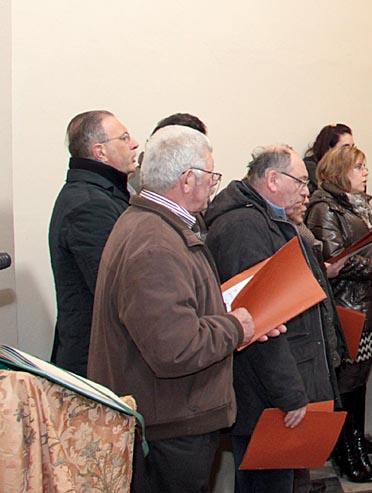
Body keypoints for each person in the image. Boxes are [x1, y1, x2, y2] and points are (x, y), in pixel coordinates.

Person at [88, 126, 275, 492]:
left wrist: (244, 322)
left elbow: (178, 312)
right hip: (170, 426)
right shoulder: (155, 242)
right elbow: (174, 348)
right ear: (188, 179)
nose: (214, 185)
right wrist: (236, 327)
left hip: (168, 415)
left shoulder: (152, 225)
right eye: (211, 175)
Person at [205, 145, 342, 493]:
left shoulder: (270, 221)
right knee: (267, 484)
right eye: (300, 182)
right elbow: (258, 322)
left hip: (280, 386)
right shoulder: (244, 228)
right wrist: (290, 394)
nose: (306, 191)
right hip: (266, 396)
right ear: (272, 179)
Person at [305, 146, 372, 483]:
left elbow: (366, 254)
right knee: (347, 385)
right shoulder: (324, 209)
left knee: (358, 382)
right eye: (359, 167)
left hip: (367, 305)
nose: (365, 172)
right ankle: (348, 453)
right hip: (346, 308)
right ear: (340, 171)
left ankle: (355, 445)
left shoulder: (356, 206)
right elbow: (336, 260)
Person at [49, 110, 140, 377]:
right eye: (124, 138)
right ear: (100, 152)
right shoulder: (89, 205)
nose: (134, 144)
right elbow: (115, 290)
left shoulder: (102, 195)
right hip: (95, 362)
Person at [303, 123, 354, 194]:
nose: (351, 152)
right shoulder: (311, 169)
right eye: (346, 148)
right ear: (329, 149)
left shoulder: (352, 169)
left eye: (353, 147)